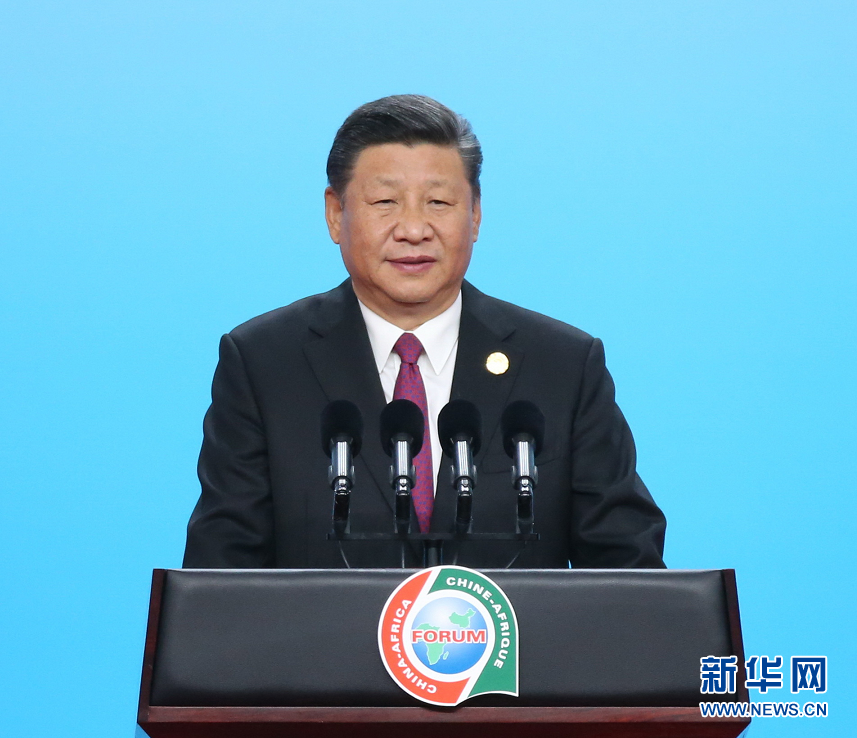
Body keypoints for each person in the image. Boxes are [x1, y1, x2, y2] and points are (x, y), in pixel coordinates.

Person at [182, 94, 666, 570]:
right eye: (385, 201)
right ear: (335, 214)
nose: (413, 229)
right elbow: (219, 577)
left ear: (475, 214)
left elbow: (630, 572)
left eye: (438, 202)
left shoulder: (562, 365)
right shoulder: (265, 363)